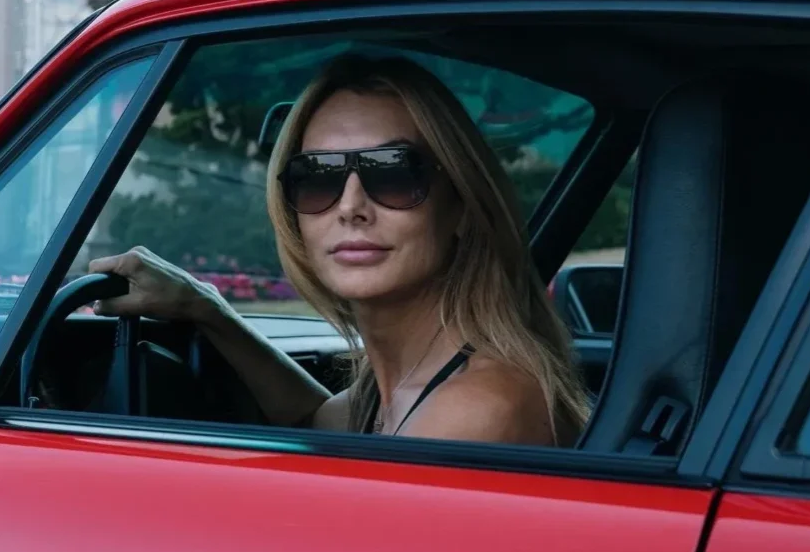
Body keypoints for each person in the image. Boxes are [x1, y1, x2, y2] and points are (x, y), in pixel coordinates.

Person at [90, 53, 591, 447]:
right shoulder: (408, 380)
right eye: (318, 178)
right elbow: (315, 421)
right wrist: (207, 308)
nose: (351, 206)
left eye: (393, 172)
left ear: (459, 204)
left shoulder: (476, 408)